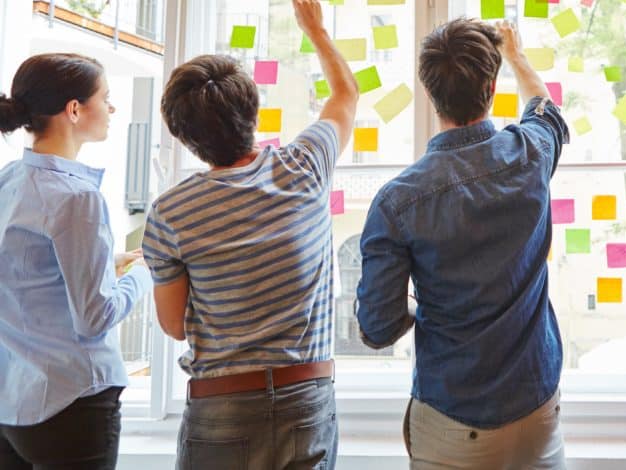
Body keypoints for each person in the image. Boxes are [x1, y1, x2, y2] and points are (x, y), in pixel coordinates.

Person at [140, 1, 358, 468]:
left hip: (221, 405)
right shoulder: (305, 165)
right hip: (308, 397)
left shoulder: (170, 213)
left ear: (184, 137)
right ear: (254, 110)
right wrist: (315, 30)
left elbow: (173, 324)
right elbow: (345, 94)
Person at [356, 18, 569, 469]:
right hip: (537, 413)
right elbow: (544, 107)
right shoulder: (530, 153)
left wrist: (427, 309)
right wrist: (516, 55)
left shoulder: (397, 201)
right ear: (492, 88)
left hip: (453, 423)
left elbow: (376, 327)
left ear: (430, 93)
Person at [0, 53, 152, 469]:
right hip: (73, 402)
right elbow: (94, 316)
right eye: (106, 98)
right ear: (74, 110)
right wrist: (142, 274)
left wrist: (109, 261)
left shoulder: (9, 181)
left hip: (14, 405)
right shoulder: (77, 198)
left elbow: (22, 274)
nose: (112, 109)